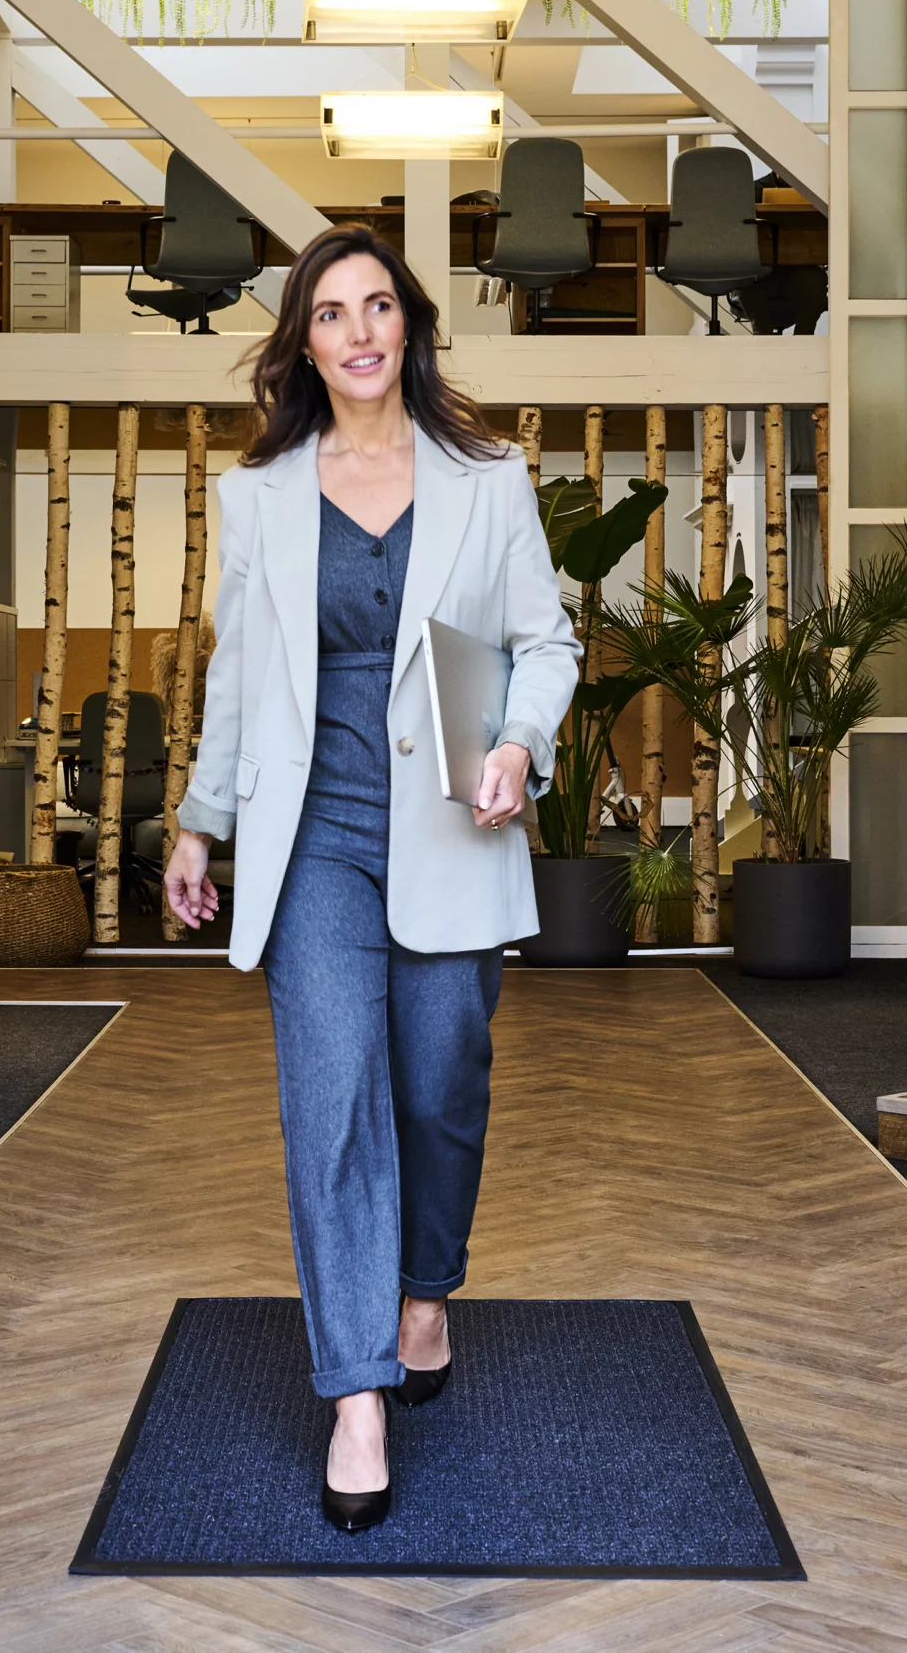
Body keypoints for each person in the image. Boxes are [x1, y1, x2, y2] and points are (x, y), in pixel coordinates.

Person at [162, 224, 581, 1534]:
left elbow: (544, 641)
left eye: (379, 305)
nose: (358, 330)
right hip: (315, 847)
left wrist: (518, 738)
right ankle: (355, 1390)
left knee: (442, 1086)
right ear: (305, 341)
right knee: (333, 1100)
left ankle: (426, 1284)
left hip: (451, 828)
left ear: (409, 327)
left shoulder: (485, 477)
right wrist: (200, 820)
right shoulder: (264, 495)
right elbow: (237, 678)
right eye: (331, 311)